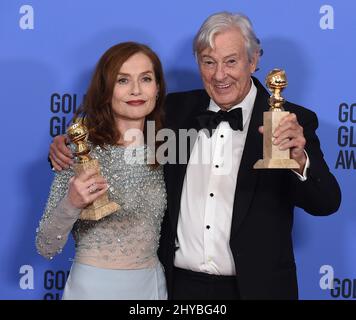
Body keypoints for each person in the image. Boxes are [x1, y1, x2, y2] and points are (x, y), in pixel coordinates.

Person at [49, 12, 341, 300]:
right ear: (198, 63)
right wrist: (66, 147)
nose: (219, 75)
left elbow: (326, 202)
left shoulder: (291, 120)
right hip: (179, 288)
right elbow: (116, 130)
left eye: (231, 61)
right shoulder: (173, 110)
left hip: (256, 288)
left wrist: (300, 161)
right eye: (208, 62)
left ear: (253, 61)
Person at [37, 42, 168, 300]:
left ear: (158, 87)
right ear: (106, 90)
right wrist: (72, 203)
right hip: (93, 288)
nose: (136, 90)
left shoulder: (169, 146)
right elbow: (46, 246)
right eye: (123, 80)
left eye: (146, 79)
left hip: (151, 288)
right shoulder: (80, 151)